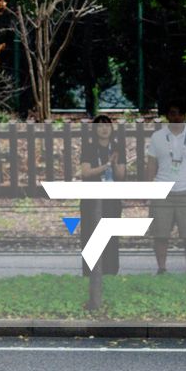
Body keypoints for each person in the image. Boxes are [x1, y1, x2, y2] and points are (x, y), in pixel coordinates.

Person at [146, 101, 186, 274]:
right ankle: (162, 268)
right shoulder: (158, 137)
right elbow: (151, 164)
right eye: (173, 113)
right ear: (167, 116)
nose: (176, 117)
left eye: (180, 113)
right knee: (160, 233)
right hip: (162, 189)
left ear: (185, 115)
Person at [76, 114, 125, 275]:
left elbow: (121, 175)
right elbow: (86, 172)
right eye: (100, 126)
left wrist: (115, 164)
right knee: (91, 235)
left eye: (107, 125)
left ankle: (111, 272)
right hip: (92, 197)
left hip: (111, 198)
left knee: (110, 236)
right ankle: (89, 274)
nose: (104, 129)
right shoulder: (89, 148)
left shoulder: (117, 148)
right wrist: (105, 166)